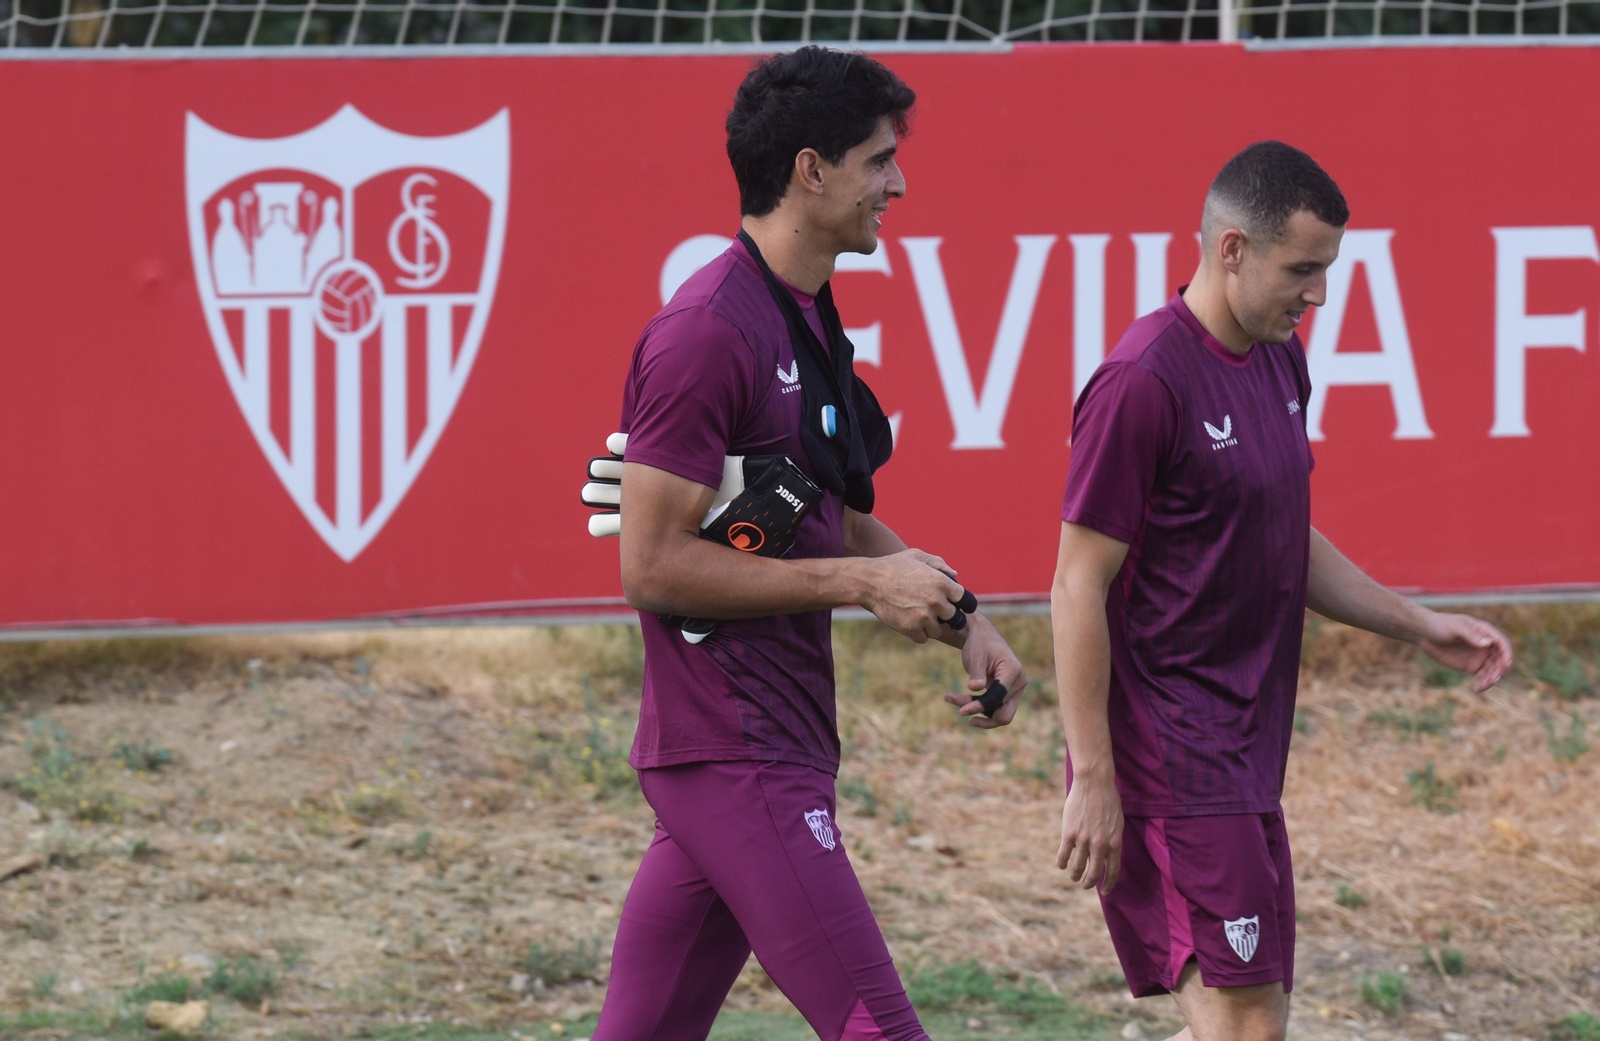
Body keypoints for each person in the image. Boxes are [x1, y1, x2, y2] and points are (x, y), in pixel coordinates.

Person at [591, 46, 1029, 1041]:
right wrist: (859, 584)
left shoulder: (804, 318)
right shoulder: (706, 331)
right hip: (741, 752)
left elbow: (837, 518)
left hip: (751, 752)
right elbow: (649, 566)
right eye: (879, 160)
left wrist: (967, 622)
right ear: (811, 171)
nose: (897, 184)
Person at [1049, 140, 1513, 1041]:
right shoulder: (1142, 382)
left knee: (1253, 1015)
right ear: (1232, 249)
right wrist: (1094, 776)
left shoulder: (1276, 359)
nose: (1319, 295)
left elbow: (1280, 529)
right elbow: (1076, 584)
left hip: (1246, 753)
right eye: (1303, 269)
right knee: (1248, 1018)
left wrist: (1416, 624)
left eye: (1328, 268)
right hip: (1168, 759)